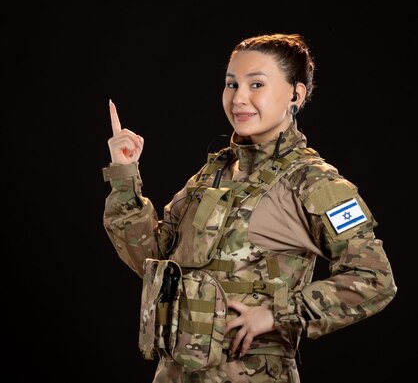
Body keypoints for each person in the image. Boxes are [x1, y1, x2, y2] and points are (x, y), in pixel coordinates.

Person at [102, 33, 397, 383]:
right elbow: (151, 256)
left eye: (256, 84)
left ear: (295, 95)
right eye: (231, 84)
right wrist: (124, 176)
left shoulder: (313, 182)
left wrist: (277, 313)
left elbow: (374, 278)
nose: (239, 98)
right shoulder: (213, 174)